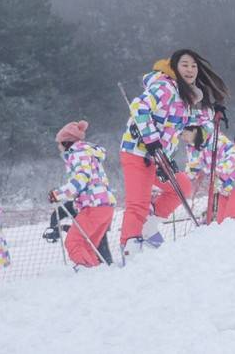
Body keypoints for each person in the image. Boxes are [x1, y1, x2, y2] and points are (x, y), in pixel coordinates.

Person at [119, 51, 225, 254]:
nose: (190, 70)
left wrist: (214, 111)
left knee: (182, 187)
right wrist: (151, 140)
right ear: (175, 68)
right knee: (138, 202)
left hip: (159, 158)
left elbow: (190, 120)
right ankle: (129, 247)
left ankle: (148, 226)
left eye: (194, 66)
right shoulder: (165, 87)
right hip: (138, 152)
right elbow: (139, 106)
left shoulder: (184, 96)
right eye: (185, 65)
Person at [50, 120, 116, 268]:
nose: (58, 147)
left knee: (73, 242)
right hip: (104, 206)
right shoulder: (87, 152)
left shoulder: (77, 153)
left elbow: (81, 179)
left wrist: (58, 194)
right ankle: (95, 274)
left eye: (59, 143)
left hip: (93, 207)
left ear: (67, 142)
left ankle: (87, 273)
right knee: (87, 246)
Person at [180, 125, 235, 224]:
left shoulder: (217, 139)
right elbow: (193, 168)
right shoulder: (193, 149)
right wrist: (182, 180)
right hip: (224, 189)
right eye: (181, 135)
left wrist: (219, 170)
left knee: (231, 223)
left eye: (185, 134)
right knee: (222, 224)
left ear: (194, 130)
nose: (183, 137)